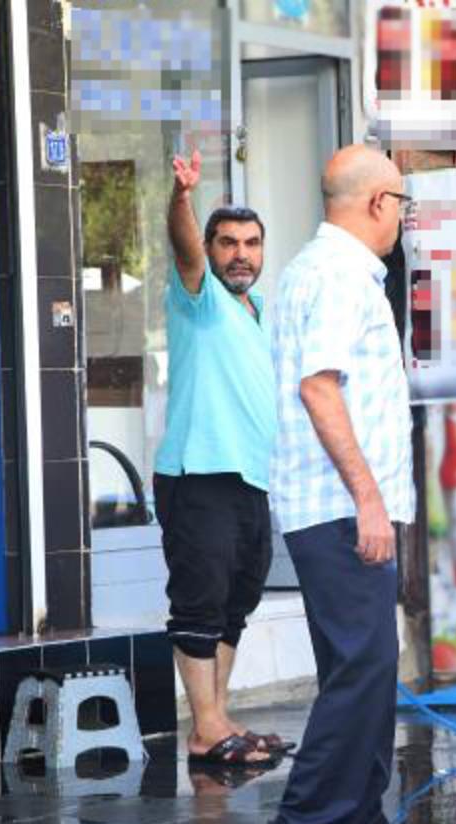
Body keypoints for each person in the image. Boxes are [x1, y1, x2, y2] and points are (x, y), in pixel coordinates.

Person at [263, 144, 442, 824]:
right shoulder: (338, 276)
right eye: (402, 203)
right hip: (341, 507)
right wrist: (370, 499)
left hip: (348, 504)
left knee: (365, 670)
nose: (404, 218)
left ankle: (359, 821)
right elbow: (319, 389)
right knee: (361, 669)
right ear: (378, 204)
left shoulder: (323, 269)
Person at [154, 150, 289, 769]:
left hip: (247, 479)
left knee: (237, 600)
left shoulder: (254, 311)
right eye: (228, 242)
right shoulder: (198, 295)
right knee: (200, 601)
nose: (241, 253)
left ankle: (219, 719)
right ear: (210, 249)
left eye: (252, 243)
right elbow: (182, 246)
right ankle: (205, 728)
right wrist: (183, 198)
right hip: (197, 474)